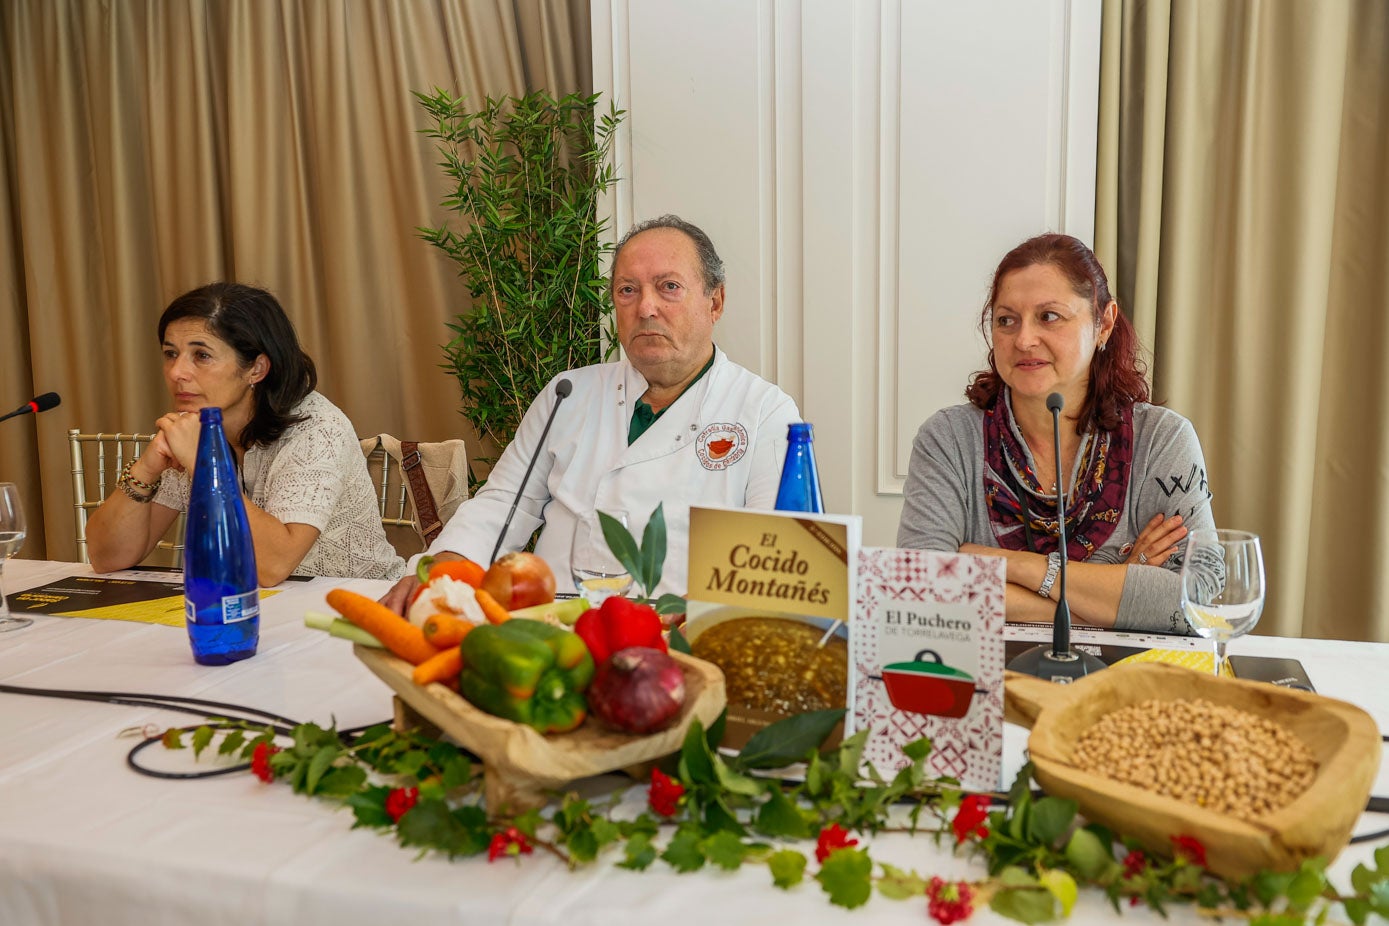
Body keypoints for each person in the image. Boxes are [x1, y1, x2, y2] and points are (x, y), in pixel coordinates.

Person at [382, 214, 800, 612]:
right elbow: (504, 503)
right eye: (627, 290)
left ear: (716, 301)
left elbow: (771, 561)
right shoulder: (569, 392)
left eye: (669, 286)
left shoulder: (764, 411)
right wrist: (441, 566)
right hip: (550, 627)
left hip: (676, 641)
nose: (646, 308)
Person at [896, 233, 1214, 633]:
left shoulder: (1163, 439)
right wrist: (1112, 597)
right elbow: (920, 590)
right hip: (991, 684)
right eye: (1006, 320)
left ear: (1104, 323)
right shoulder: (947, 439)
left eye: (1049, 316)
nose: (1024, 339)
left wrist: (1017, 566)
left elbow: (1199, 600)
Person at [86, 282, 406, 584]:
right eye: (171, 353)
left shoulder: (319, 430)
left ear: (256, 368)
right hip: (258, 608)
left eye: (202, 355)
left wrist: (205, 465)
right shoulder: (197, 427)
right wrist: (147, 468)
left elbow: (273, 566)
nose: (177, 372)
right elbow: (108, 558)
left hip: (358, 613)